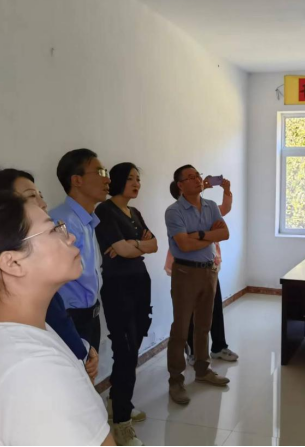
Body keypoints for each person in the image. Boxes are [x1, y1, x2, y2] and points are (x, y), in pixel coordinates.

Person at [0, 192, 115, 446]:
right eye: (54, 229)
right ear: (13, 262)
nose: (70, 237)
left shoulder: (14, 325)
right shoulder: (32, 372)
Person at [0, 168, 99, 383]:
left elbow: (60, 326)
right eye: (30, 197)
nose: (43, 204)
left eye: (41, 195)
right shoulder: (26, 363)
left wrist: (82, 348)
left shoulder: (36, 305)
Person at [95, 163, 157, 447]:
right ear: (118, 180)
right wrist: (135, 245)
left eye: (138, 179)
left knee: (135, 342)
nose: (136, 183)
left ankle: (118, 401)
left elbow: (154, 244)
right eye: (131, 178)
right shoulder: (105, 211)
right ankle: (121, 423)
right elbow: (120, 250)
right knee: (126, 350)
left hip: (140, 282)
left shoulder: (135, 212)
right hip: (118, 287)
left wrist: (132, 245)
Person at [165, 165, 231, 406]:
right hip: (185, 273)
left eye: (197, 175)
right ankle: (176, 380)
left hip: (209, 271)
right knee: (181, 329)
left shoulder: (211, 206)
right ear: (180, 185)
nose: (196, 180)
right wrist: (208, 234)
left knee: (204, 324)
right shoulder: (174, 211)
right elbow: (183, 245)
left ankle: (203, 370)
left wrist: (198, 235)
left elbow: (225, 234)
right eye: (190, 177)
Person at [50, 149, 110, 353]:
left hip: (90, 314)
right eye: (100, 172)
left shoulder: (87, 219)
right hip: (71, 316)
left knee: (90, 369)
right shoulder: (61, 221)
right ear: (77, 180)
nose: (107, 180)